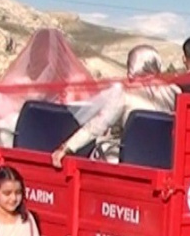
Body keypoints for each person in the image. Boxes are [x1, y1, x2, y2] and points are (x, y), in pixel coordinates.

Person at [52, 45, 180, 167]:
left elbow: (97, 126)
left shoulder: (125, 93)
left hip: (131, 159)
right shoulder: (174, 92)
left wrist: (67, 147)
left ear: (132, 65)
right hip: (164, 160)